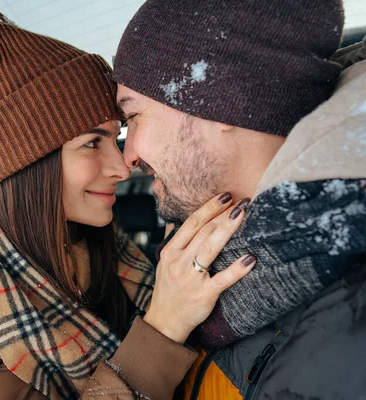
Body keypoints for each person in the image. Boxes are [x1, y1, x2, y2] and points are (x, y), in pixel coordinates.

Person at [0, 10, 256, 400]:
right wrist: (164, 325)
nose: (121, 168)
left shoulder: (97, 237)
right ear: (29, 164)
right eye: (92, 143)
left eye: (117, 138)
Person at [112, 0, 366, 399]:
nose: (127, 158)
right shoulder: (208, 276)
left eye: (132, 116)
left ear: (218, 97)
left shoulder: (350, 326)